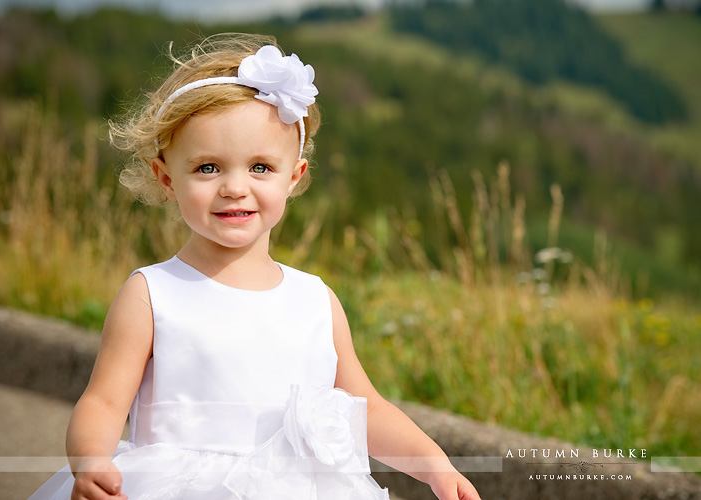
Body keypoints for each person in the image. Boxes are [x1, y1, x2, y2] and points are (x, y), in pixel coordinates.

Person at [28, 33, 481, 500]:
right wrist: (91, 461)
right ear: (166, 177)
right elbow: (103, 401)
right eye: (208, 168)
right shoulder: (153, 293)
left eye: (260, 167)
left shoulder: (315, 300)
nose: (234, 187)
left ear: (294, 177)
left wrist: (435, 467)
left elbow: (367, 409)